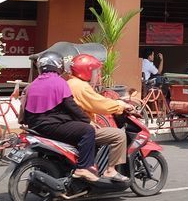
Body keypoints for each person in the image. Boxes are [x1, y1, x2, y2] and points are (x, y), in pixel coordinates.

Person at [22, 51, 100, 181]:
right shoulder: (59, 82)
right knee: (87, 131)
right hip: (52, 126)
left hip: (35, 126)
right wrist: (87, 120)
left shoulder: (33, 84)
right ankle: (83, 168)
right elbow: (71, 106)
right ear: (59, 66)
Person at [65, 54, 130, 184]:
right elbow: (99, 104)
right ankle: (110, 170)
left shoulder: (70, 82)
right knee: (119, 135)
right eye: (94, 71)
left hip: (71, 125)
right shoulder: (81, 87)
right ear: (86, 71)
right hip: (81, 128)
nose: (97, 75)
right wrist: (121, 105)